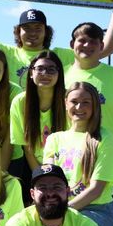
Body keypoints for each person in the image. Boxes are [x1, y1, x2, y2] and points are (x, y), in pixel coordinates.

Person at [43, 82, 113, 226]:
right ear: (65, 103)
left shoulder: (104, 138)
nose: (79, 107)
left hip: (98, 212)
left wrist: (63, 212)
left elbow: (96, 189)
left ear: (95, 105)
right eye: (74, 101)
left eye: (86, 102)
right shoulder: (55, 139)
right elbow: (47, 183)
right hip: (62, 210)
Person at [62, 22, 113, 195]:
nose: (87, 45)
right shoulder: (60, 76)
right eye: (82, 40)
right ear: (72, 45)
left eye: (93, 41)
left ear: (101, 46)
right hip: (66, 162)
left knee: (103, 219)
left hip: (106, 165)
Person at [9, 50, 67, 204]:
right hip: (32, 167)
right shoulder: (20, 102)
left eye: (51, 69)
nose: (45, 73)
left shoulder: (68, 102)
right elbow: (27, 148)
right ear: (30, 73)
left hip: (66, 167)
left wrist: (55, 178)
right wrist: (42, 177)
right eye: (39, 69)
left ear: (59, 74)